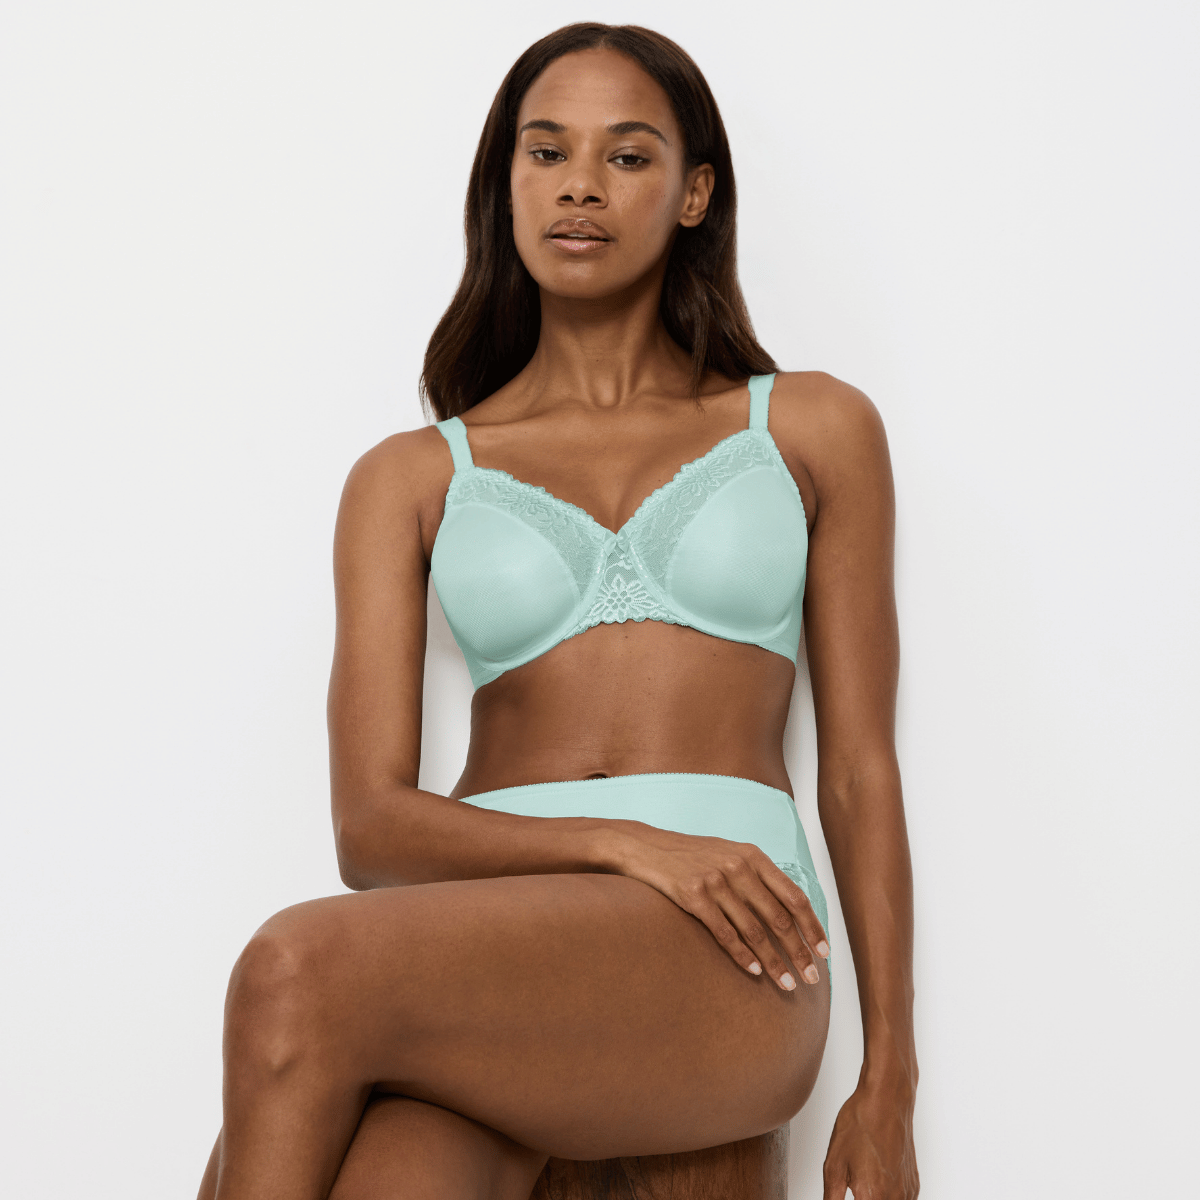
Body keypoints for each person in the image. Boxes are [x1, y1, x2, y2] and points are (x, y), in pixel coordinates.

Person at [198, 21, 918, 1200]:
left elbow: (858, 770)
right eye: (546, 152)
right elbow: (370, 829)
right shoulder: (409, 477)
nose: (580, 184)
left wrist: (888, 1078)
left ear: (694, 194)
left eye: (626, 157)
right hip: (487, 932)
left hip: (734, 938)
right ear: (507, 184)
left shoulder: (809, 427)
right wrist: (621, 843)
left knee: (291, 967)